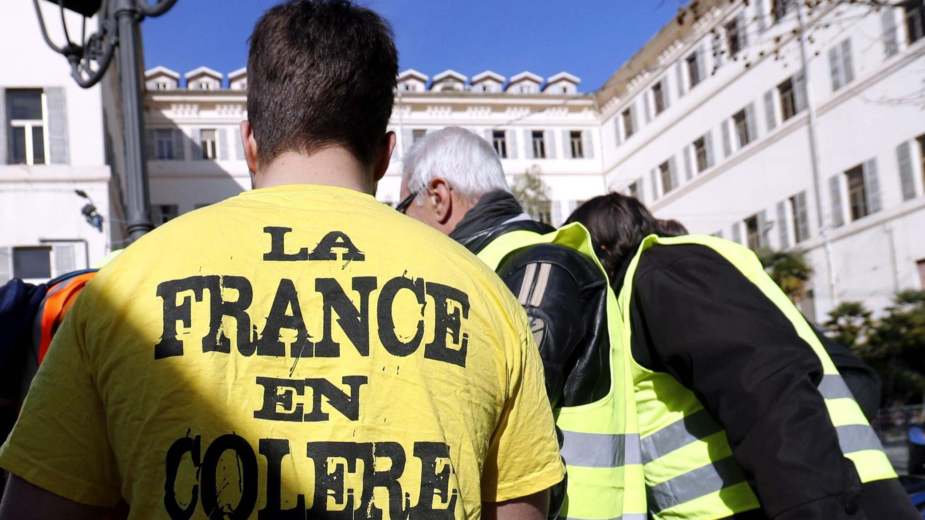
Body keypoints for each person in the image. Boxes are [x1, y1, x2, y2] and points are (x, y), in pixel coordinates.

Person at [0, 2, 565, 518]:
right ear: (386, 153)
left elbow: (35, 508)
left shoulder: (121, 290)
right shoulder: (486, 298)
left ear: (249, 141)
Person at [566, 192, 916, 519]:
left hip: (818, 502)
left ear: (602, 249)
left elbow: (765, 388)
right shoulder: (654, 287)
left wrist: (813, 508)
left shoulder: (665, 273)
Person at [399, 127, 643, 520]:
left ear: (438, 197)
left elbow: (504, 434)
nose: (403, 226)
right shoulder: (498, 268)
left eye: (404, 208)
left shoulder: (536, 269)